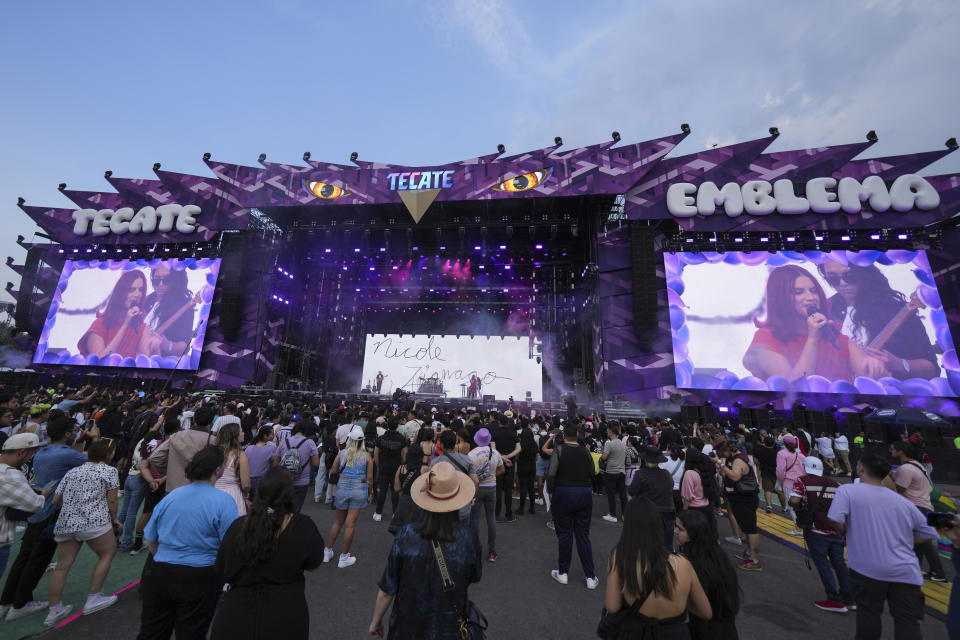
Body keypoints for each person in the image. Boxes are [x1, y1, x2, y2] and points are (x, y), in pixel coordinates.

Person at [827, 453, 939, 639]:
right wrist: (903, 541)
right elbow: (928, 533)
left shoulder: (847, 490)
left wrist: (847, 532)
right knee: (907, 621)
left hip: (867, 569)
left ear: (861, 469)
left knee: (869, 615)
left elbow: (834, 519)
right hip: (906, 572)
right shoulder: (903, 502)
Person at [368, 461, 482, 639]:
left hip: (407, 626)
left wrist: (376, 622)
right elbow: (475, 576)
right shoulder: (468, 538)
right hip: (449, 627)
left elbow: (387, 590)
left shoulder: (406, 535)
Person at [209, 468, 324, 640]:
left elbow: (221, 567)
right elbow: (315, 563)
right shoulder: (302, 526)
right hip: (285, 616)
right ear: (289, 493)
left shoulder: (238, 526)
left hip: (235, 614)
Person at [137, 447, 239, 640]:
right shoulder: (223, 501)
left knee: (151, 632)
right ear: (218, 470)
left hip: (160, 571)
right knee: (192, 632)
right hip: (200, 575)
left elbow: (150, 537)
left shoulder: (173, 496)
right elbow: (231, 544)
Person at [1, 417, 86, 621]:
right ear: (66, 434)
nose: (76, 433)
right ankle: (21, 604)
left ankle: (6, 601)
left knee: (24, 558)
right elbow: (93, 460)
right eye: (74, 430)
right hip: (48, 511)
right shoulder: (66, 453)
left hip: (34, 516)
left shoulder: (41, 453)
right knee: (38, 560)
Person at [742, 265, 887, 382]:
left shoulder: (837, 339)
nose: (810, 297)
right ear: (780, 297)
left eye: (813, 291)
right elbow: (797, 388)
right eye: (799, 292)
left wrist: (876, 369)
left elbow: (884, 385)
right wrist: (812, 339)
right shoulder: (766, 338)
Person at [604, 498, 712, 639]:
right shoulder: (683, 563)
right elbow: (706, 612)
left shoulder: (620, 557)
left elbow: (612, 607)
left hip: (637, 632)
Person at [818, 261, 939, 380]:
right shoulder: (826, 309)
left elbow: (932, 369)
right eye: (833, 279)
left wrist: (899, 364)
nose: (842, 284)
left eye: (850, 276)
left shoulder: (895, 310)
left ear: (863, 273)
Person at [44, 438, 121, 626]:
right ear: (108, 454)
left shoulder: (73, 471)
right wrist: (114, 519)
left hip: (67, 523)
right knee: (107, 553)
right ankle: (93, 598)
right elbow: (112, 501)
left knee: (62, 566)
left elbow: (55, 500)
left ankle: (54, 610)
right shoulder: (109, 471)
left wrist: (72, 507)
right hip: (95, 521)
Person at [787, 456, 853, 613]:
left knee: (823, 565)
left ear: (805, 467)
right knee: (840, 564)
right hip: (836, 530)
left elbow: (795, 500)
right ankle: (850, 599)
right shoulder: (835, 484)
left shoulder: (802, 481)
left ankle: (834, 600)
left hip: (816, 530)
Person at [675, 510, 741, 639]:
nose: (675, 531)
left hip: (706, 631)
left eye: (680, 529)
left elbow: (698, 606)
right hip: (727, 629)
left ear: (693, 534)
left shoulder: (694, 564)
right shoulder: (716, 555)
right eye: (676, 526)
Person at [547, 425, 599, 589]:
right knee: (583, 535)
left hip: (563, 493)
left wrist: (550, 492)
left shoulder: (559, 449)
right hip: (584, 493)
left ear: (563, 435)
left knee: (564, 534)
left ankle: (563, 573)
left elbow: (551, 473)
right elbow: (592, 470)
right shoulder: (585, 450)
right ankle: (590, 577)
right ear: (577, 435)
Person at [889, 441, 947, 583]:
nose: (890, 450)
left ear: (900, 451)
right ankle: (917, 569)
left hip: (916, 507)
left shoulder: (905, 469)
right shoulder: (918, 465)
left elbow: (899, 490)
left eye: (892, 449)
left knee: (924, 542)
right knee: (919, 541)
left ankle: (939, 573)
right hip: (926, 506)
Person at [78, 270, 168, 359]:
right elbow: (100, 361)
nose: (137, 294)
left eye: (140, 290)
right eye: (131, 290)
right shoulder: (99, 324)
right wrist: (125, 325)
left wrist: (155, 349)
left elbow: (148, 365)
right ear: (120, 293)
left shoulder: (141, 328)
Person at [0, 433, 46, 599]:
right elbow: (34, 504)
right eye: (31, 453)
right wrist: (43, 494)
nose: (31, 457)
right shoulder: (9, 474)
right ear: (22, 452)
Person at [324, 426, 373, 568]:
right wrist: (370, 493)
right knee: (350, 524)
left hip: (342, 487)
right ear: (362, 441)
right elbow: (370, 478)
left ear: (350, 440)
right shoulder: (367, 456)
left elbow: (333, 470)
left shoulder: (342, 453)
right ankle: (344, 557)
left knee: (338, 522)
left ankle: (327, 551)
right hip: (359, 488)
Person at [147, 406, 217, 492]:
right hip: (198, 490)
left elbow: (155, 457)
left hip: (173, 488)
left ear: (194, 419)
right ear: (211, 422)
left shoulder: (176, 435)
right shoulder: (213, 441)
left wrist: (169, 472)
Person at [716, 442, 762, 571]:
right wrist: (722, 464)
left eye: (722, 452)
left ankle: (755, 560)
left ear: (727, 450)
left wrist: (720, 464)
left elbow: (735, 476)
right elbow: (724, 475)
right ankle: (749, 552)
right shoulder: (732, 458)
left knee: (751, 528)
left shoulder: (739, 460)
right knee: (747, 528)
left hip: (745, 498)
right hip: (739, 497)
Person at [629, 446, 676, 551]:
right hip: (668, 513)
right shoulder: (666, 474)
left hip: (648, 513)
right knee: (667, 547)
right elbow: (671, 486)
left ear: (645, 459)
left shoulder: (640, 474)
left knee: (645, 546)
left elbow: (632, 491)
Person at [144, 264, 197, 357]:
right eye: (156, 280)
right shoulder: (147, 300)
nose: (160, 284)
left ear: (176, 281)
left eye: (166, 280)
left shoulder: (184, 305)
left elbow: (185, 346)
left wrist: (168, 345)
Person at [467, 427, 504, 562]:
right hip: (491, 488)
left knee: (475, 520)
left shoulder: (471, 454)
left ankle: (474, 550)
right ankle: (492, 552)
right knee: (491, 519)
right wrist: (492, 475)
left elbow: (468, 474)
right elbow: (502, 469)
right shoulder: (495, 453)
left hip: (476, 489)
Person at [274, 419, 320, 513]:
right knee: (296, 508)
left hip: (285, 479)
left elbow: (275, 463)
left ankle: (283, 525)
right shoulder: (310, 442)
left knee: (284, 507)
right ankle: (292, 524)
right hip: (302, 481)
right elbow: (316, 463)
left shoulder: (284, 441)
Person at [373, 417, 407, 522]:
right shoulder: (401, 438)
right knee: (395, 491)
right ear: (397, 426)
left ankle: (378, 513)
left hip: (383, 467)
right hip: (396, 468)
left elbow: (376, 453)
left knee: (382, 491)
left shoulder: (381, 438)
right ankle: (395, 513)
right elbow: (405, 453)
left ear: (387, 425)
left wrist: (379, 465)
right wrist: (403, 464)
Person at [214, 423, 250, 517]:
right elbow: (245, 484)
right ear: (235, 436)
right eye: (241, 431)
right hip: (233, 495)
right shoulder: (240, 455)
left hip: (212, 493)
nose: (244, 433)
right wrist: (245, 495)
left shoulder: (213, 452)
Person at [388, 446, 425, 535]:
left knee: (401, 533)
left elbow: (396, 488)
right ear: (421, 456)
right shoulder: (424, 470)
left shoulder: (401, 468)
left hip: (403, 504)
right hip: (418, 503)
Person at [680, 452, 718, 539]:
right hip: (707, 509)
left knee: (693, 539)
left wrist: (683, 513)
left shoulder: (689, 473)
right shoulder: (707, 473)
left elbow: (688, 498)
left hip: (693, 510)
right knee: (704, 538)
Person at [492, 414, 520, 523]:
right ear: (507, 422)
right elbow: (519, 449)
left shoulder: (494, 433)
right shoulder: (513, 433)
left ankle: (496, 514)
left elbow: (493, 449)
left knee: (498, 490)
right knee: (508, 490)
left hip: (498, 464)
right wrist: (508, 457)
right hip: (510, 464)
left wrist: (501, 457)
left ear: (499, 422)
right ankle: (509, 515)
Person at [776, 435, 806, 537]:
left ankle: (799, 529)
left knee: (792, 505)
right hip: (801, 482)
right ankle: (804, 526)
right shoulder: (800, 455)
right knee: (802, 505)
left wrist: (781, 481)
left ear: (784, 443)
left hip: (788, 482)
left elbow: (780, 470)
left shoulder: (781, 454)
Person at [601, 423, 628, 523]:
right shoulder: (622, 443)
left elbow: (604, 457)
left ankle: (613, 515)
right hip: (622, 471)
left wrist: (602, 454)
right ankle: (624, 514)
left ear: (611, 432)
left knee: (611, 494)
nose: (606, 432)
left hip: (611, 471)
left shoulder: (609, 443)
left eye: (607, 431)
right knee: (622, 494)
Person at [244, 424, 277, 500]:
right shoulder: (271, 448)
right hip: (262, 480)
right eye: (272, 434)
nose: (273, 435)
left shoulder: (249, 448)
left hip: (247, 479)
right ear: (265, 436)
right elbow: (274, 465)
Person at [753, 436, 783, 512]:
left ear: (764, 443)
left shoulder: (759, 451)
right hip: (777, 472)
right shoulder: (778, 452)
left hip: (765, 472)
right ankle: (784, 507)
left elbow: (755, 462)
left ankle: (769, 506)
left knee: (767, 490)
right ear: (773, 444)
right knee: (779, 491)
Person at [516, 420, 538, 515]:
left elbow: (517, 457)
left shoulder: (521, 445)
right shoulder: (534, 445)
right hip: (532, 467)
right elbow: (537, 457)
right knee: (531, 487)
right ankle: (532, 508)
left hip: (522, 467)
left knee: (523, 488)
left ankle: (521, 509)